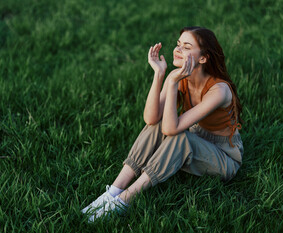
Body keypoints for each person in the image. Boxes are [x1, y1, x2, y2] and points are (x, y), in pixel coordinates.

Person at [81, 26, 244, 222]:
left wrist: (173, 82)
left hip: (224, 157)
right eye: (178, 44)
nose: (178, 50)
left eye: (186, 46)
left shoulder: (219, 90)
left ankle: (124, 200)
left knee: (181, 137)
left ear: (203, 58)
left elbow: (171, 129)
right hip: (197, 136)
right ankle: (113, 191)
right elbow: (151, 120)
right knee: (158, 125)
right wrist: (160, 75)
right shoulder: (179, 78)